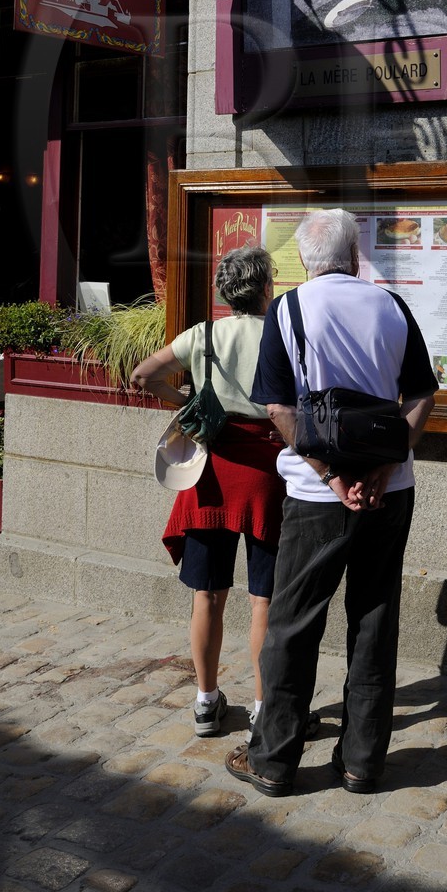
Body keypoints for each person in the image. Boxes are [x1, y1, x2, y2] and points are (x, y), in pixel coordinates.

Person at [224, 208, 436, 797]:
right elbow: (421, 394)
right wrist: (385, 466)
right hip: (390, 492)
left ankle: (273, 759)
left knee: (293, 624)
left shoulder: (288, 311)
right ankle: (362, 761)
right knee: (374, 619)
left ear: (305, 258)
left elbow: (279, 408)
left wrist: (332, 476)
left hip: (317, 495)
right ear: (355, 254)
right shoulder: (392, 307)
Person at [130, 245, 284, 740]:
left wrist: (188, 403)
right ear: (264, 288)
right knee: (264, 600)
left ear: (225, 290)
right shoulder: (282, 334)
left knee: (207, 594)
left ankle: (205, 702)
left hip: (211, 470)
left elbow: (142, 375)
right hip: (266, 470)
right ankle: (263, 709)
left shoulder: (204, 334)